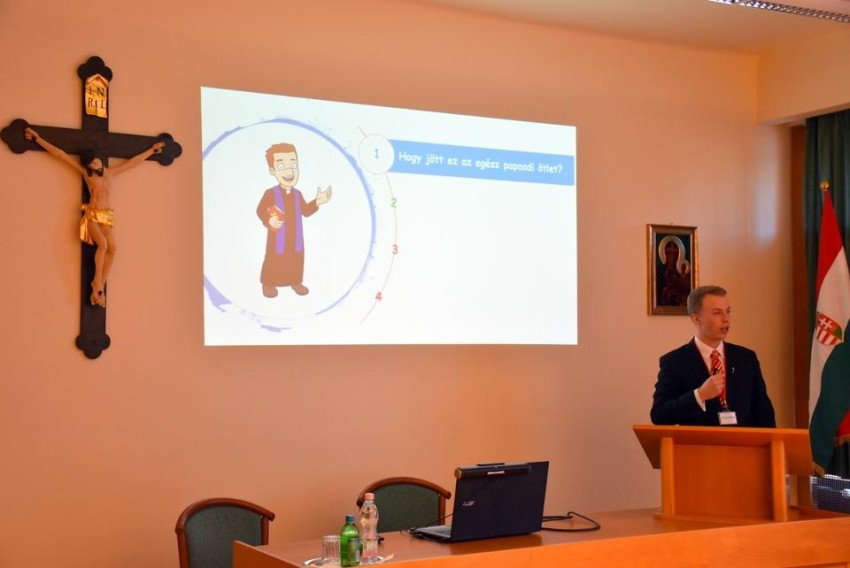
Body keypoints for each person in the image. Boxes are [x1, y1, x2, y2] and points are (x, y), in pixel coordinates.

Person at [24, 127, 165, 307]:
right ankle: (97, 281)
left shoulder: (111, 172)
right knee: (103, 245)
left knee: (113, 249)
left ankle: (99, 287)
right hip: (92, 215)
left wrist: (152, 151)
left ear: (98, 159)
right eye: (90, 164)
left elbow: (133, 162)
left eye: (94, 161)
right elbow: (61, 155)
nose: (93, 165)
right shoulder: (87, 174)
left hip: (106, 216)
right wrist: (38, 139)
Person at [650, 285, 776, 427]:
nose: (726, 319)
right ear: (696, 318)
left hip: (743, 441)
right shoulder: (674, 362)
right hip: (699, 441)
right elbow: (659, 415)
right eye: (717, 313)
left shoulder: (746, 358)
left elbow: (764, 415)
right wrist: (699, 395)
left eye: (728, 311)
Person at [256, 142, 332, 298]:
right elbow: (260, 210)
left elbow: (305, 211)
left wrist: (317, 202)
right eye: (281, 166)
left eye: (293, 165)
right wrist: (269, 220)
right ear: (273, 170)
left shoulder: (297, 194)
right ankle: (269, 283)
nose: (289, 171)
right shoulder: (270, 193)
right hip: (277, 238)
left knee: (296, 259)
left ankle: (295, 281)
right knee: (273, 259)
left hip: (296, 238)